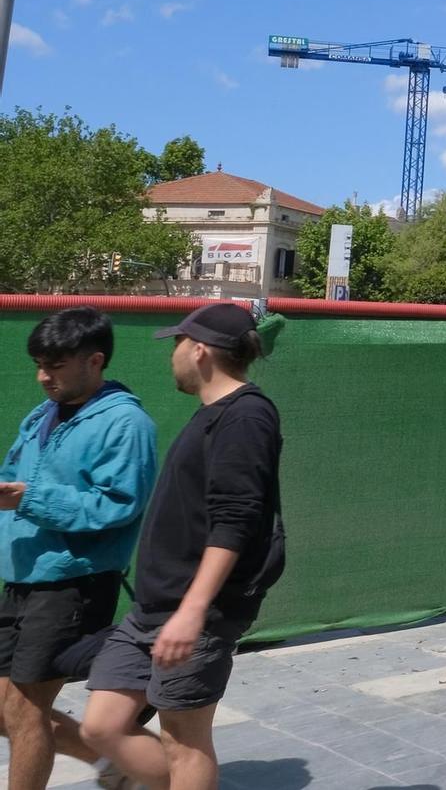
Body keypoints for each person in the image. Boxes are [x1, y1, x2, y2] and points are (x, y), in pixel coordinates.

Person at [81, 303, 283, 790]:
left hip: (199, 611)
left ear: (199, 350)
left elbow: (235, 521)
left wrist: (193, 611)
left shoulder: (246, 417)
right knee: (102, 726)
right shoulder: (214, 414)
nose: (171, 355)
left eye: (176, 344)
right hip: (156, 606)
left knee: (185, 741)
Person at [0, 309, 157, 790]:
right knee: (6, 707)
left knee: (26, 710)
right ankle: (118, 761)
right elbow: (13, 475)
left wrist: (30, 498)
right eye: (39, 364)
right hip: (22, 578)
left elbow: (118, 506)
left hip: (73, 584)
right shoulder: (42, 413)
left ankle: (155, 766)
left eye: (56, 365)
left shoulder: (126, 423)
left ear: (95, 360)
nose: (43, 376)